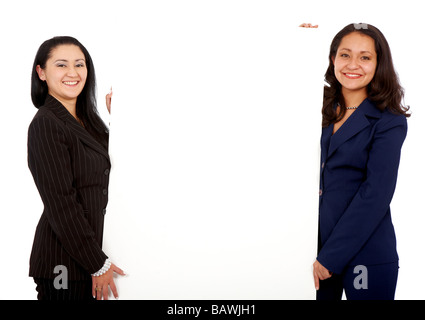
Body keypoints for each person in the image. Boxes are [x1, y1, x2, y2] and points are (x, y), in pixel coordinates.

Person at [312, 23, 410, 300]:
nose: (352, 64)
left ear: (378, 64)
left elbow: (376, 194)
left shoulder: (389, 121)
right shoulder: (314, 107)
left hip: (366, 250)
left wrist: (331, 257)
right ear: (333, 59)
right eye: (345, 55)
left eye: (365, 57)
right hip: (309, 249)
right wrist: (300, 40)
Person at [28, 36, 124, 300]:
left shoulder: (90, 123)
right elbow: (61, 203)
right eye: (61, 65)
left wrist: (121, 119)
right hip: (64, 262)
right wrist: (97, 263)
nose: (73, 73)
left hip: (92, 257)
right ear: (41, 72)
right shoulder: (46, 124)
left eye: (79, 65)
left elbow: (113, 174)